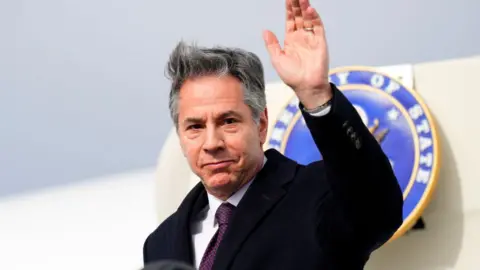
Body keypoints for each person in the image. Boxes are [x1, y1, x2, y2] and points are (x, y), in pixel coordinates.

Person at [143, 0, 403, 269]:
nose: (212, 143)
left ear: (261, 124)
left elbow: (376, 211)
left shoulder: (317, 197)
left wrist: (315, 94)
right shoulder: (161, 243)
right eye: (195, 127)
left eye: (228, 121)